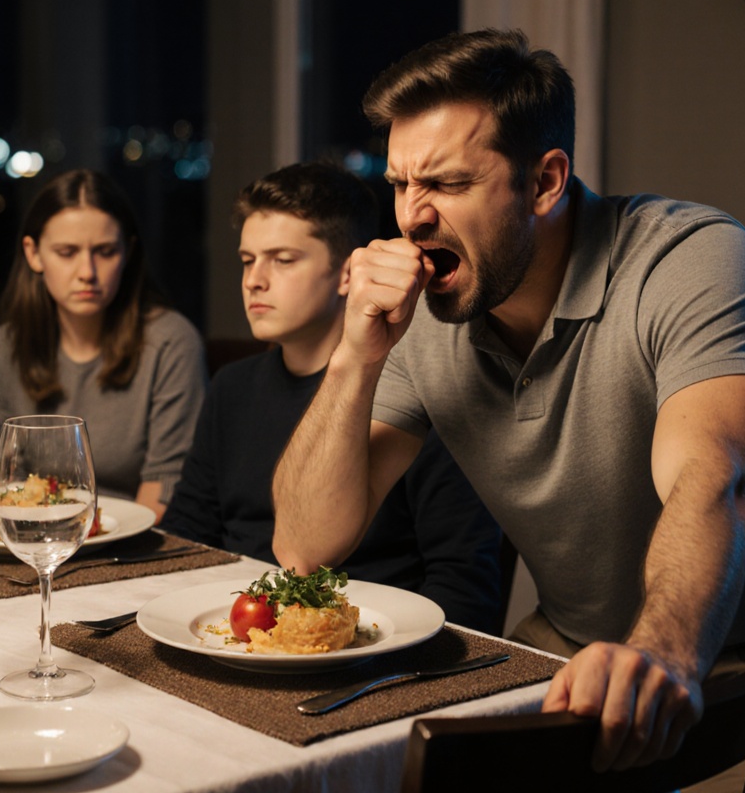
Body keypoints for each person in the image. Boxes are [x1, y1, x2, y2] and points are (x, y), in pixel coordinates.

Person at [271, 29, 745, 793]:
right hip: (561, 656)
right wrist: (355, 352)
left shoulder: (692, 259)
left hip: (735, 669)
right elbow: (303, 544)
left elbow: (718, 476)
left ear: (545, 181)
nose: (411, 216)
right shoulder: (422, 323)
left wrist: (663, 653)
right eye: (399, 183)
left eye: (448, 183)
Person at [160, 161, 504, 633]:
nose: (254, 280)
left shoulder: (418, 390)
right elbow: (185, 540)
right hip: (227, 633)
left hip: (367, 647)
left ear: (349, 274)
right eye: (247, 260)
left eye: (282, 260)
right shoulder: (232, 387)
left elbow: (466, 587)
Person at [0, 168, 206, 520]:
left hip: (126, 546)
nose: (87, 271)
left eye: (105, 251)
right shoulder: (4, 348)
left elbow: (161, 498)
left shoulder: (171, 343)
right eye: (67, 252)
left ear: (127, 253)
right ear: (34, 254)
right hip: (29, 543)